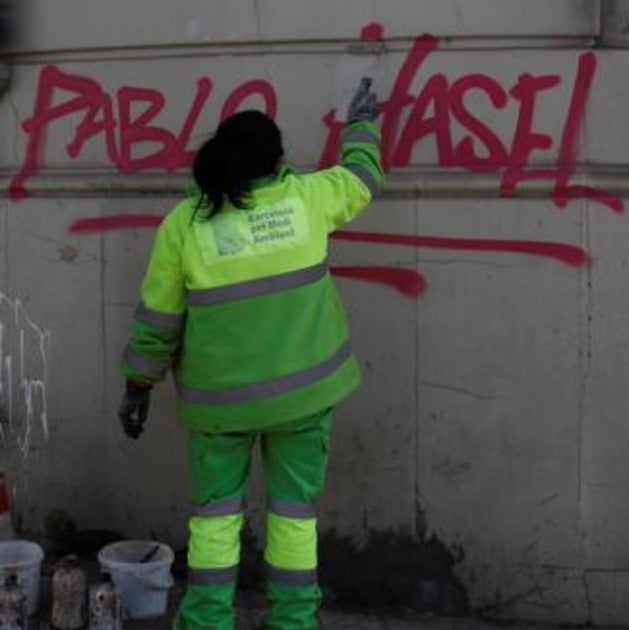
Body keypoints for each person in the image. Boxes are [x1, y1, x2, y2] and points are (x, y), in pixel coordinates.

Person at [116, 79, 383, 629]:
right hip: (304, 400)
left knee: (214, 522)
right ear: (278, 159)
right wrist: (362, 125)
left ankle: (208, 621)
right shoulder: (309, 198)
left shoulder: (184, 227)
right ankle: (293, 622)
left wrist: (138, 386)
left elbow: (158, 321)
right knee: (293, 518)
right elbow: (362, 178)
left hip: (222, 408)